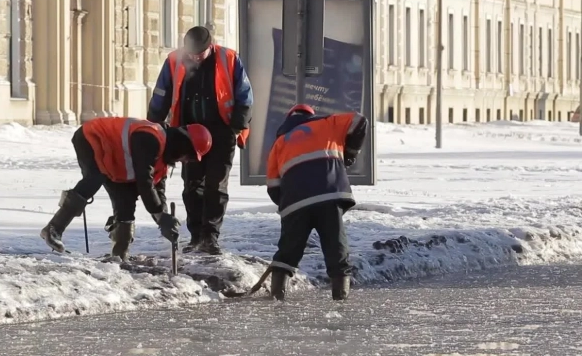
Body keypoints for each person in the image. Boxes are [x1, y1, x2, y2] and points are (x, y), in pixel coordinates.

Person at [39, 117, 213, 261]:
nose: (185, 161)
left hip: (116, 160)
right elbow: (144, 181)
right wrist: (160, 215)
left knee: (126, 201)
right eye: (189, 156)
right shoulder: (151, 137)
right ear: (183, 143)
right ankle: (53, 229)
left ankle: (119, 255)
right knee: (95, 177)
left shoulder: (163, 161)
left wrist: (163, 218)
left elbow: (156, 190)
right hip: (93, 138)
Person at [147, 26, 254, 255]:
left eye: (200, 54)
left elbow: (244, 94)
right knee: (192, 185)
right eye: (192, 53)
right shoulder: (175, 60)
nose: (195, 57)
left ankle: (210, 236)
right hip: (188, 133)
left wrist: (237, 125)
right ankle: (196, 236)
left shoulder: (229, 58)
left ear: (210, 46)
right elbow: (161, 94)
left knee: (216, 185)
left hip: (222, 131)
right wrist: (153, 126)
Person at [265, 104, 368, 301]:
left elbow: (273, 184)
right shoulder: (328, 123)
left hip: (295, 203)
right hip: (329, 196)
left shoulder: (280, 141)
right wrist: (350, 152)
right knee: (336, 248)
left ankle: (277, 297)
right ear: (311, 116)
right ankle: (341, 299)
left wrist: (287, 206)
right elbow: (359, 121)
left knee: (288, 252)